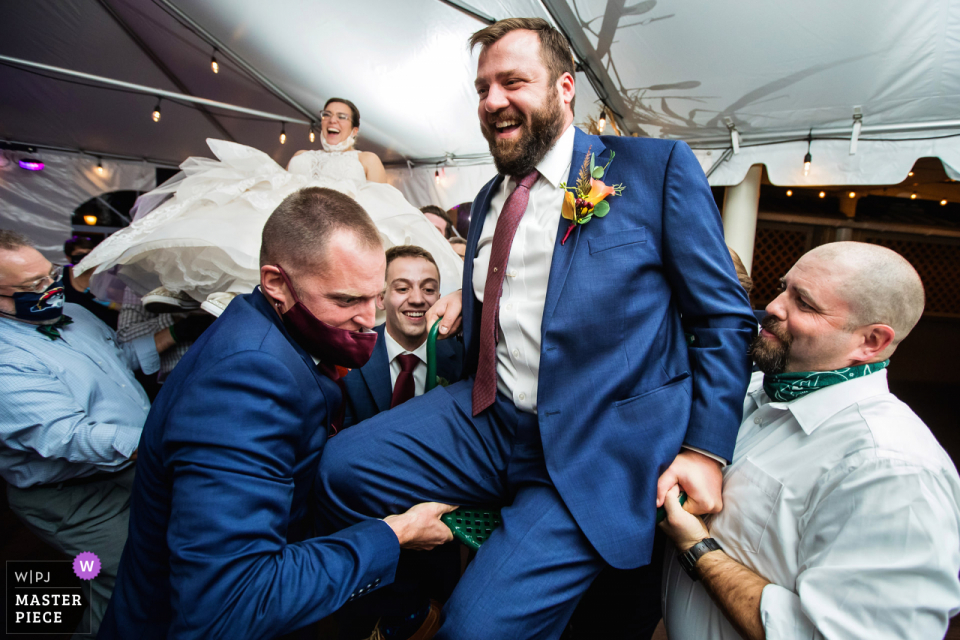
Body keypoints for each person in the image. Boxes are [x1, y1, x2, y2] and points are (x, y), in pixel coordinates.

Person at [315, 18, 755, 639]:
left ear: (565, 87)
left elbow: (723, 316)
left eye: (512, 81)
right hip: (486, 419)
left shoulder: (654, 170)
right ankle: (412, 608)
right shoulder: (491, 197)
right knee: (339, 471)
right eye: (482, 88)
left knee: (474, 633)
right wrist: (470, 308)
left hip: (591, 443)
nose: (493, 101)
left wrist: (704, 450)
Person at [99, 188, 454, 640]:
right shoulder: (245, 381)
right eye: (346, 301)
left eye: (375, 297)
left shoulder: (269, 332)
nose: (369, 319)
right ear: (276, 283)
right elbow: (230, 604)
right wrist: (394, 534)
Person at [659, 241, 960, 640]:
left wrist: (698, 549)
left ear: (871, 342)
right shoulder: (752, 391)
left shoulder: (892, 466)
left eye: (804, 303)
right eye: (784, 288)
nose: (774, 307)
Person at [74, 98, 462, 317]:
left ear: (354, 129)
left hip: (343, 219)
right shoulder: (300, 156)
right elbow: (286, 193)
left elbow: (383, 202)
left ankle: (239, 293)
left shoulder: (366, 159)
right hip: (300, 215)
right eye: (327, 114)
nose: (332, 120)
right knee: (242, 206)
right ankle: (201, 288)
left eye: (341, 116)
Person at [0, 230, 166, 636]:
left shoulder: (73, 315)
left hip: (123, 471)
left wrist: (176, 334)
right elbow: (68, 435)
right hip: (69, 498)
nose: (50, 288)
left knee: (158, 570)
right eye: (31, 286)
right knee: (126, 587)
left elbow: (117, 362)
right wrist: (165, 446)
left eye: (50, 275)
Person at [342, 245, 463, 428]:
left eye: (428, 290)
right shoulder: (349, 357)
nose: (417, 299)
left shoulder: (463, 358)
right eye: (403, 288)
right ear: (381, 299)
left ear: (439, 298)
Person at [62, 235, 120, 328]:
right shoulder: (62, 276)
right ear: (68, 257)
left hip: (110, 329)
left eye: (89, 253)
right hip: (79, 330)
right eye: (80, 254)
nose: (85, 257)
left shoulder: (108, 272)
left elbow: (126, 306)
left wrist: (110, 303)